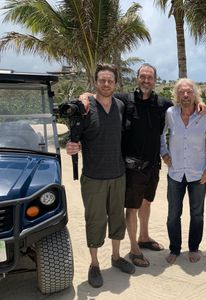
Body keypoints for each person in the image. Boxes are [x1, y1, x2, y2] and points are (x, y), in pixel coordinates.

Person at [79, 63, 206, 268]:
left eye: (150, 77)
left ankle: (144, 237)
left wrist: (200, 104)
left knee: (146, 203)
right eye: (142, 77)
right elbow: (99, 94)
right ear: (137, 78)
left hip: (153, 165)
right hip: (130, 167)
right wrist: (84, 96)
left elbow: (185, 104)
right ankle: (133, 249)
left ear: (155, 81)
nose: (146, 80)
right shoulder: (123, 100)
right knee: (132, 208)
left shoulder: (163, 104)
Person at [66, 63, 135, 288]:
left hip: (118, 175)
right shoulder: (85, 107)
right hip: (93, 177)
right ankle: (94, 264)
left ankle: (115, 257)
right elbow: (75, 138)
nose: (106, 84)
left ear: (115, 83)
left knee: (117, 217)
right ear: (96, 82)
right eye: (102, 80)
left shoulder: (121, 105)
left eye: (110, 81)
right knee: (95, 221)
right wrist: (72, 146)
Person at [161, 78, 206, 264]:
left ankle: (193, 248)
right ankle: (175, 249)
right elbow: (160, 133)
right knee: (173, 214)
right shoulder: (170, 113)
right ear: (176, 95)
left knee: (197, 214)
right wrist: (164, 151)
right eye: (181, 92)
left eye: (189, 91)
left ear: (195, 94)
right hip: (175, 172)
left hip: (198, 173)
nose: (185, 95)